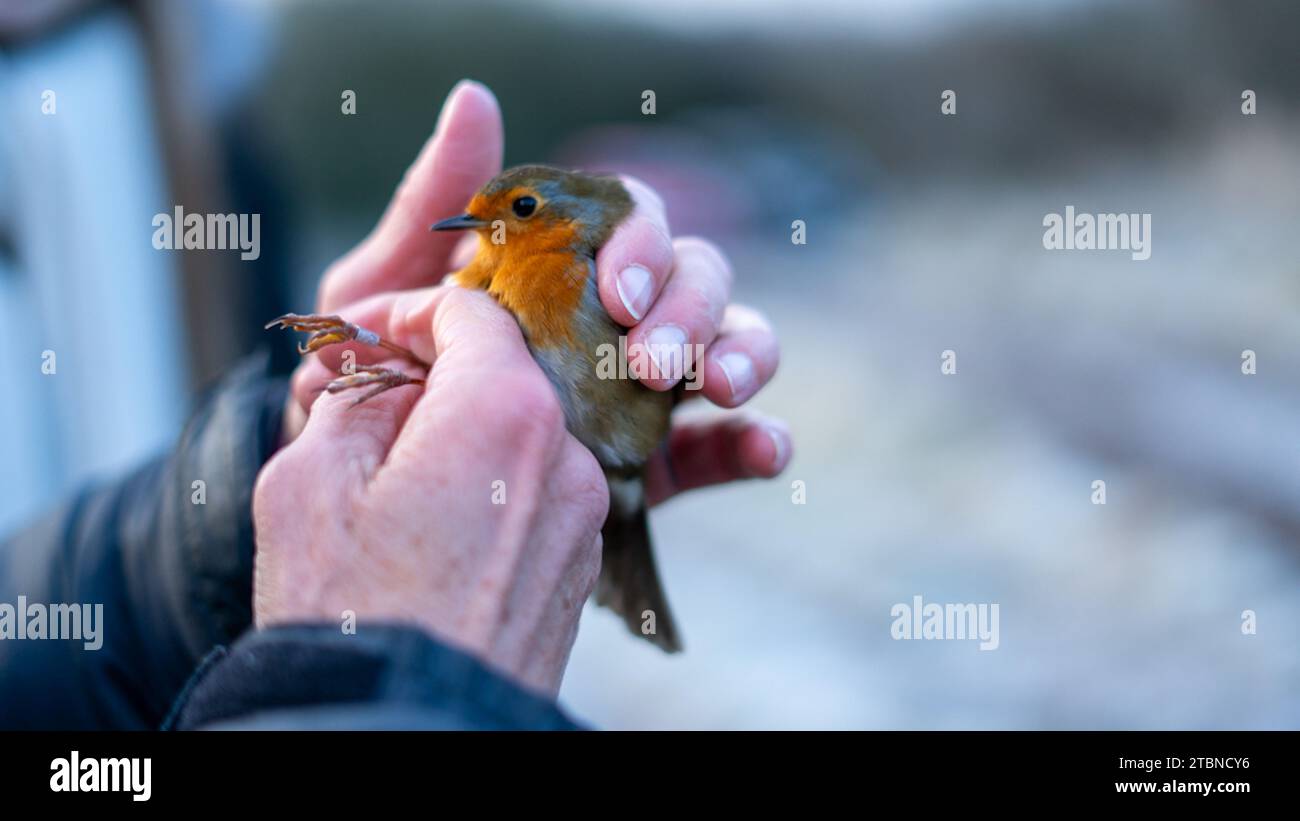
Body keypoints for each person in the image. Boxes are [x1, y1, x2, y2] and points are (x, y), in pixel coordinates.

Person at [0, 82, 790, 730]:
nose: (490, 230)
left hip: (611, 457)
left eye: (516, 212)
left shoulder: (576, 265)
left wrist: (283, 445)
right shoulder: (482, 272)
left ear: (569, 222)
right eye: (484, 220)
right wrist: (403, 687)